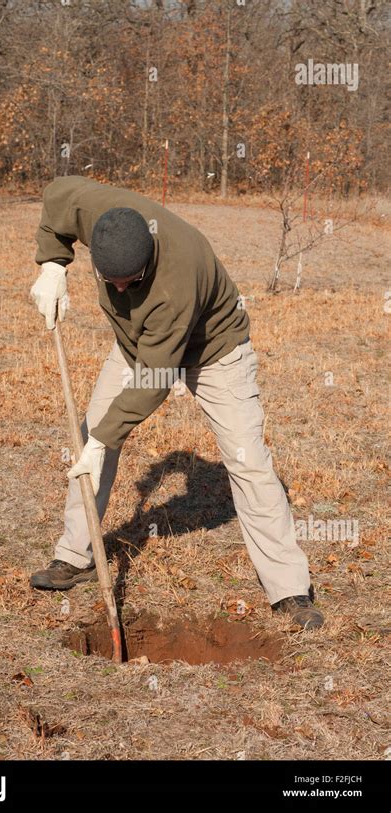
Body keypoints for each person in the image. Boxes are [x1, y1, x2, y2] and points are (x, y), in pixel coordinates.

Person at [29, 175, 324, 630]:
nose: (122, 291)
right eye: (113, 282)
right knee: (91, 442)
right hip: (136, 348)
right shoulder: (94, 210)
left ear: (148, 260)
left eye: (133, 282)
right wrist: (53, 264)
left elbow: (155, 377)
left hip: (214, 350)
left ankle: (289, 589)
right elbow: (54, 200)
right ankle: (76, 556)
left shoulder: (174, 280)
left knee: (248, 460)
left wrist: (107, 433)